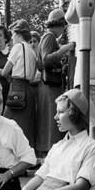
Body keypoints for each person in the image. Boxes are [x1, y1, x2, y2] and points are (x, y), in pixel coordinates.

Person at [36, 9, 76, 158]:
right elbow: (46, 59)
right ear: (59, 24)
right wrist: (65, 48)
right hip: (50, 86)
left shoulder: (49, 38)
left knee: (50, 121)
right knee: (53, 121)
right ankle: (51, 154)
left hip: (48, 86)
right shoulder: (49, 37)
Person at [2, 19, 38, 148]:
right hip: (29, 89)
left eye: (12, 35)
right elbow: (33, 76)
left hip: (16, 88)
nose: (12, 38)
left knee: (6, 124)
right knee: (26, 126)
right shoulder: (33, 52)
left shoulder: (18, 47)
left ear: (18, 34)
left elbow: (5, 71)